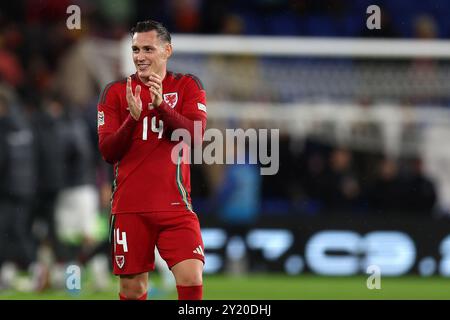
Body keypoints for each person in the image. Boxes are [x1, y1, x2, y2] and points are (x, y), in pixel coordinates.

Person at [97, 20, 207, 300]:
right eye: (135, 49)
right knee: (133, 290)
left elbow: (194, 137)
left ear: (167, 50)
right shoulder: (114, 92)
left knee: (191, 277)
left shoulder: (187, 86)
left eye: (148, 48)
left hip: (175, 206)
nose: (140, 56)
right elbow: (109, 151)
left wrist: (161, 106)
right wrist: (132, 120)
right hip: (130, 207)